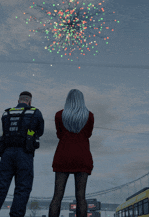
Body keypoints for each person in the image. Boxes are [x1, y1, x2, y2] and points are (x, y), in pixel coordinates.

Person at [0, 91, 44, 217]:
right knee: (22, 189)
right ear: (30, 101)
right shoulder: (35, 112)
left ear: (18, 101)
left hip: (7, 153)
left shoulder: (6, 113)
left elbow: (5, 130)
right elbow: (40, 131)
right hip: (25, 154)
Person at [49, 89, 94, 217]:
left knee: (57, 196)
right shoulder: (89, 116)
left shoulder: (59, 115)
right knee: (81, 197)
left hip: (63, 156)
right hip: (82, 156)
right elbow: (88, 134)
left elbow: (59, 135)